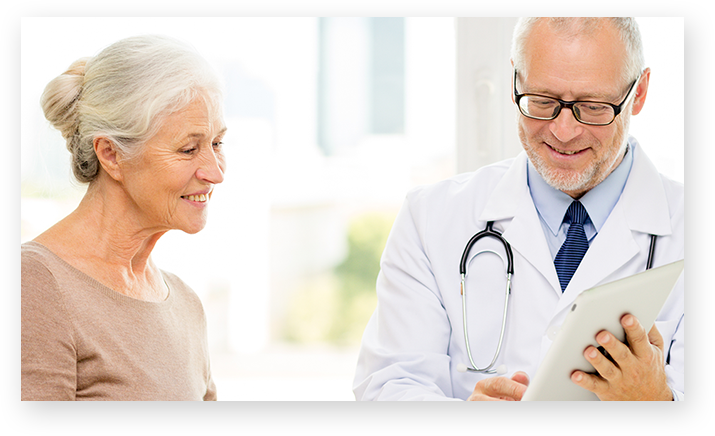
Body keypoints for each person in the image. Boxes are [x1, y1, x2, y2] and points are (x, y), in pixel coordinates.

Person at [353, 17, 683, 401]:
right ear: (514, 83)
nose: (563, 131)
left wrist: (657, 398)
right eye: (542, 102)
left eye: (592, 108)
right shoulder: (430, 218)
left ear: (639, 93)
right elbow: (390, 382)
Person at [21, 35, 226, 400]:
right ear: (111, 155)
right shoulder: (36, 286)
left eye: (217, 143)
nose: (215, 172)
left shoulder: (185, 303)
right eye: (189, 148)